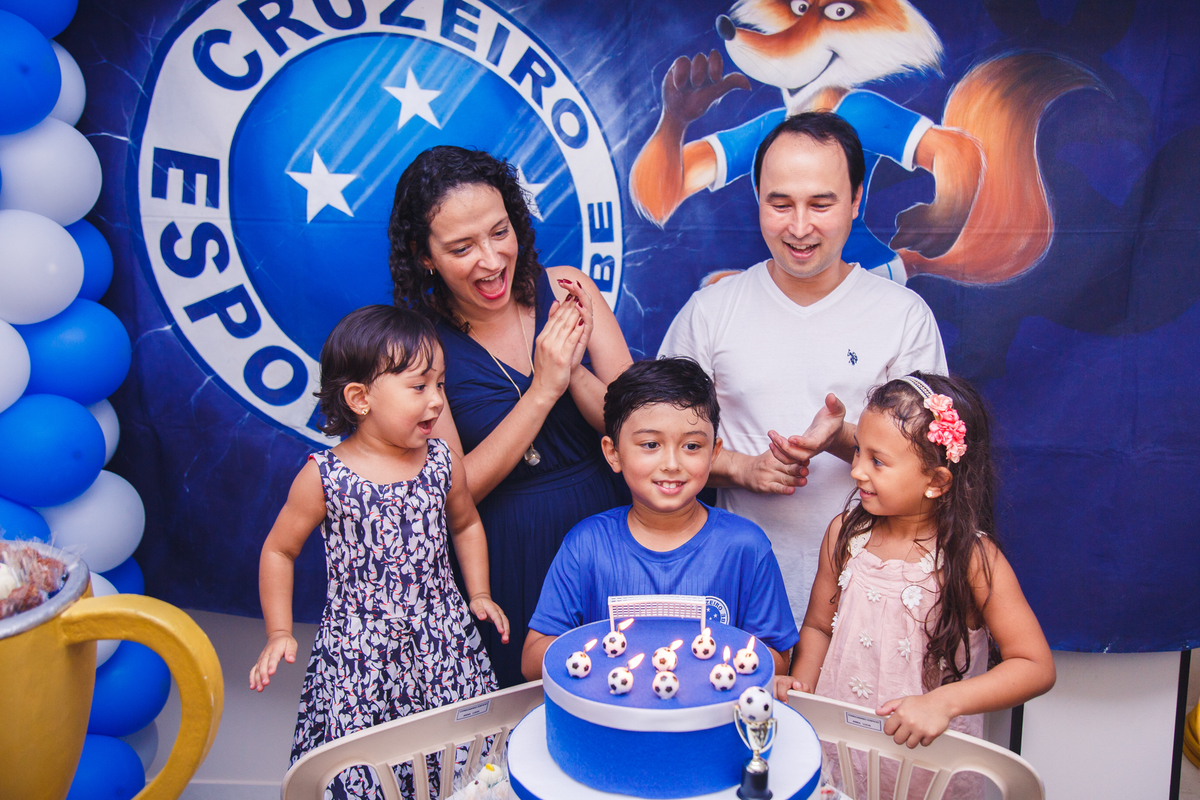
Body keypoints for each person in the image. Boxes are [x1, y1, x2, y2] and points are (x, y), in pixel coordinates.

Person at [658, 111, 947, 627]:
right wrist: (742, 468)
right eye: (780, 203)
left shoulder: (903, 316)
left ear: (856, 200)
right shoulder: (710, 311)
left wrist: (841, 438)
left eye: (820, 203)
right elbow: (655, 438)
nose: (799, 227)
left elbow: (931, 459)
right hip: (734, 592)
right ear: (758, 201)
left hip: (872, 594)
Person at [389, 146, 633, 687]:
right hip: (509, 557)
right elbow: (456, 491)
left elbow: (635, 427)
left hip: (612, 537)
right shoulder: (419, 346)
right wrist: (542, 390)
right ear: (423, 255)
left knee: (629, 690)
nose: (492, 259)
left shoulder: (569, 287)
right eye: (461, 247)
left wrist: (571, 373)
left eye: (500, 232)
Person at [249, 305, 509, 798]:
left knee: (460, 765)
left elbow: (467, 522)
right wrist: (278, 631)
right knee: (365, 770)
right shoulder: (324, 477)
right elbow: (279, 551)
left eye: (440, 384)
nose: (436, 401)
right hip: (359, 658)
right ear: (360, 398)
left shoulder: (441, 462)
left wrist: (479, 593)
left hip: (443, 646)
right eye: (419, 387)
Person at [780, 372, 1055, 799]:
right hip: (839, 757)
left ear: (936, 481)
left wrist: (943, 703)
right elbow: (818, 627)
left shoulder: (973, 561)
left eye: (877, 461)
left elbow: (1035, 666)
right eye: (857, 452)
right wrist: (803, 690)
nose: (855, 471)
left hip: (929, 771)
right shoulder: (844, 536)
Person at [521, 357, 799, 679]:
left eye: (692, 445)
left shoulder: (746, 547)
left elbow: (778, 658)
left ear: (715, 452)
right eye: (651, 444)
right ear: (613, 453)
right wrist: (607, 658)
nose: (671, 463)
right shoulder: (586, 545)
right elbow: (533, 660)